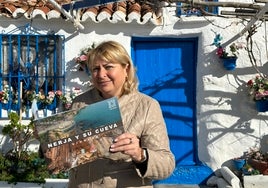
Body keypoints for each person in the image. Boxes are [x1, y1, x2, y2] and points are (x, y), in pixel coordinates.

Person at [68, 41, 175, 188]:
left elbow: (166, 164)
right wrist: (49, 143)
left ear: (126, 69)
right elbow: (68, 151)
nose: (101, 74)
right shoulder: (80, 103)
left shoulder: (146, 106)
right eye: (95, 69)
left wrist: (140, 154)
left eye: (108, 67)